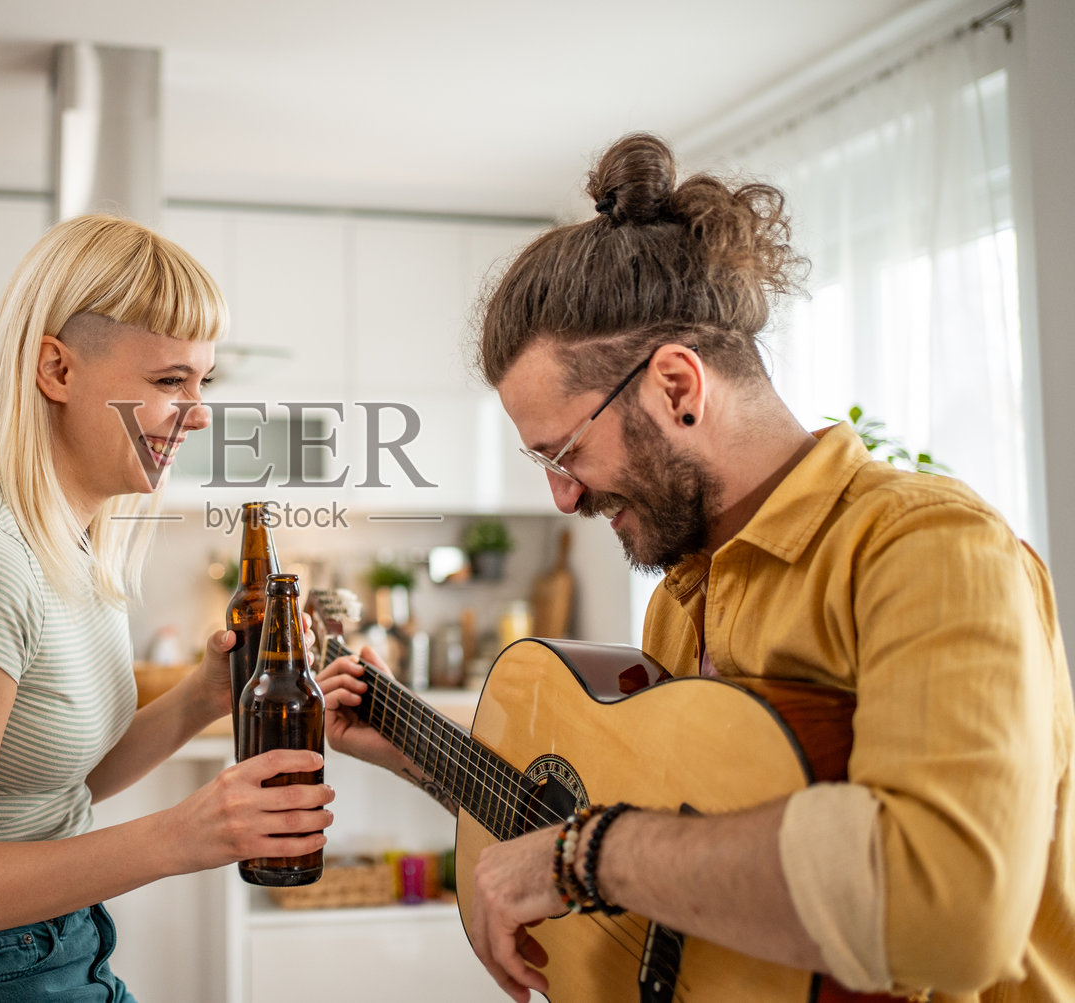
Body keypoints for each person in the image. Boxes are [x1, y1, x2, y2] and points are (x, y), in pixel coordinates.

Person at [319, 133, 1074, 1001]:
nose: (564, 499)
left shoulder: (926, 547)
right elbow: (670, 851)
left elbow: (949, 910)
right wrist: (420, 755)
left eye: (563, 451)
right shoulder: (684, 593)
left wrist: (583, 854)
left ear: (678, 388)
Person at [0, 213, 334, 1002]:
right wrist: (184, 833)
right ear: (56, 371)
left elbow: (56, 786)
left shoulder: (69, 547)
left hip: (55, 949)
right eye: (171, 380)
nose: (200, 411)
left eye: (205, 381)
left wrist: (205, 695)